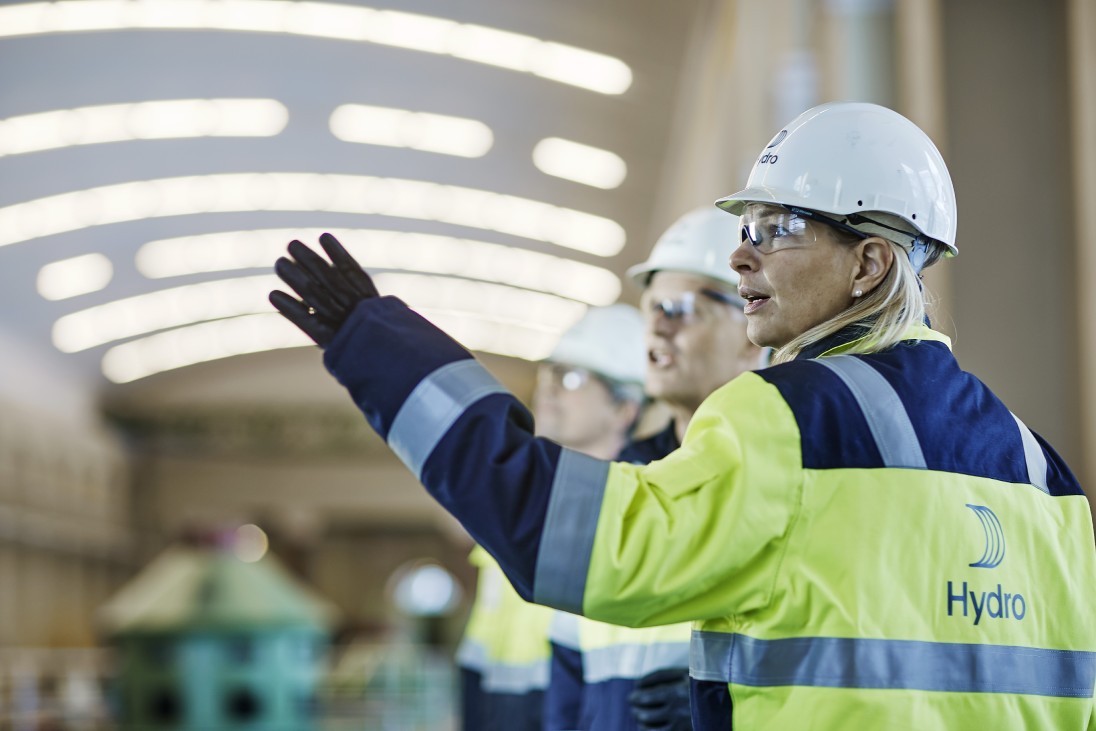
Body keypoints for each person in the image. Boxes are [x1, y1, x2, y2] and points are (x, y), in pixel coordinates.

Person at [270, 101, 1096, 729]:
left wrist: (384, 351)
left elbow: (567, 535)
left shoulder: (789, 419)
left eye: (777, 229)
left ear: (870, 264)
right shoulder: (1044, 476)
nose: (742, 253)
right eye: (746, 229)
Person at [545, 207, 763, 731]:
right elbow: (567, 672)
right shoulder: (616, 484)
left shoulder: (792, 474)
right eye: (652, 307)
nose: (658, 326)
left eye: (683, 308)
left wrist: (730, 702)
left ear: (752, 328)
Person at [457, 304, 648, 731]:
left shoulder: (636, 517)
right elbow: (477, 660)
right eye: (548, 374)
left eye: (572, 378)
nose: (548, 391)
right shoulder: (516, 510)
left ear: (625, 409)